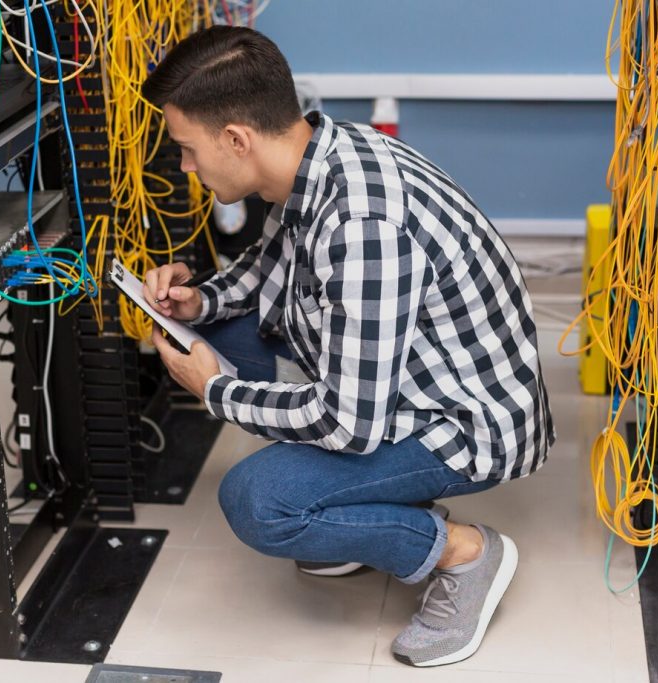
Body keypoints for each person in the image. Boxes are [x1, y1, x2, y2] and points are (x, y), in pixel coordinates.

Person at [140, 25, 554, 668]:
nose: (186, 166)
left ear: (236, 139)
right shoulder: (319, 152)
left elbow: (348, 424)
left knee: (257, 501)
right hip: (404, 382)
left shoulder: (362, 224)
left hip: (467, 426)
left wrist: (216, 392)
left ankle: (463, 554)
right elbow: (265, 265)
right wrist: (200, 303)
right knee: (211, 334)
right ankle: (364, 514)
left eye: (188, 149)